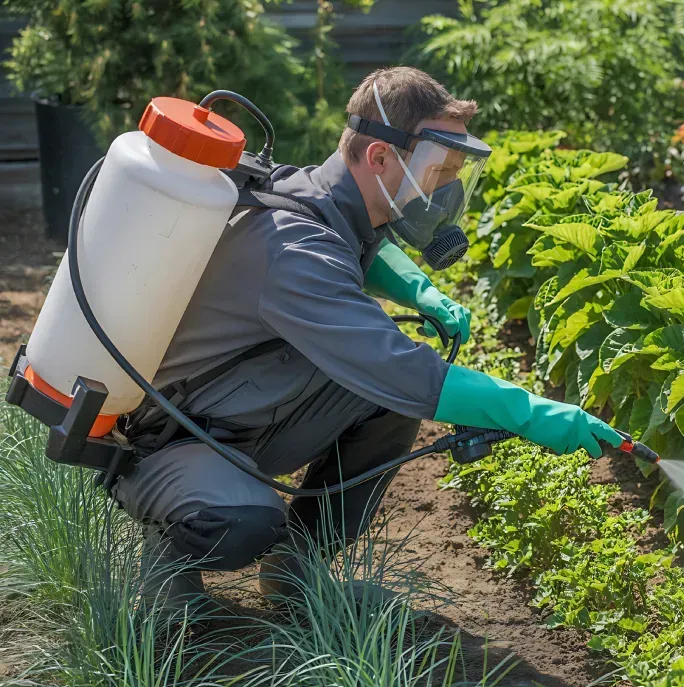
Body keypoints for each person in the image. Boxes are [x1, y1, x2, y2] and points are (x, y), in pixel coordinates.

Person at [114, 66, 621, 606]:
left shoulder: (317, 197)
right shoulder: (295, 251)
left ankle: (294, 570)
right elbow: (402, 371)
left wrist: (422, 292)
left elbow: (361, 245)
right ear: (379, 157)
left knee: (388, 405)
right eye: (437, 171)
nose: (445, 190)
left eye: (454, 175)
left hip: (239, 409)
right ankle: (166, 569)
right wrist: (533, 413)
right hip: (172, 438)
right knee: (244, 521)